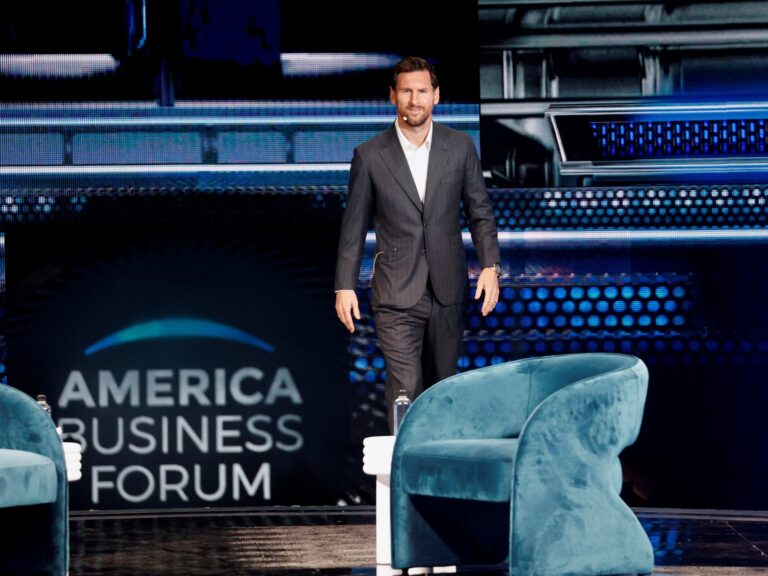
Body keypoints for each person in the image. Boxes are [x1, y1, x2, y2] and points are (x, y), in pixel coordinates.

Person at [334, 56, 501, 431]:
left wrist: (491, 266)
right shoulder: (370, 155)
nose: (414, 99)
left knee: (441, 389)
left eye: (422, 91)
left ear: (436, 96)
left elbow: (480, 213)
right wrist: (344, 285)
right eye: (406, 91)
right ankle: (405, 462)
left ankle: (434, 463)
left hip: (448, 288)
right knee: (405, 387)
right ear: (392, 96)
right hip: (395, 292)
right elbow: (353, 227)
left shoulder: (460, 147)